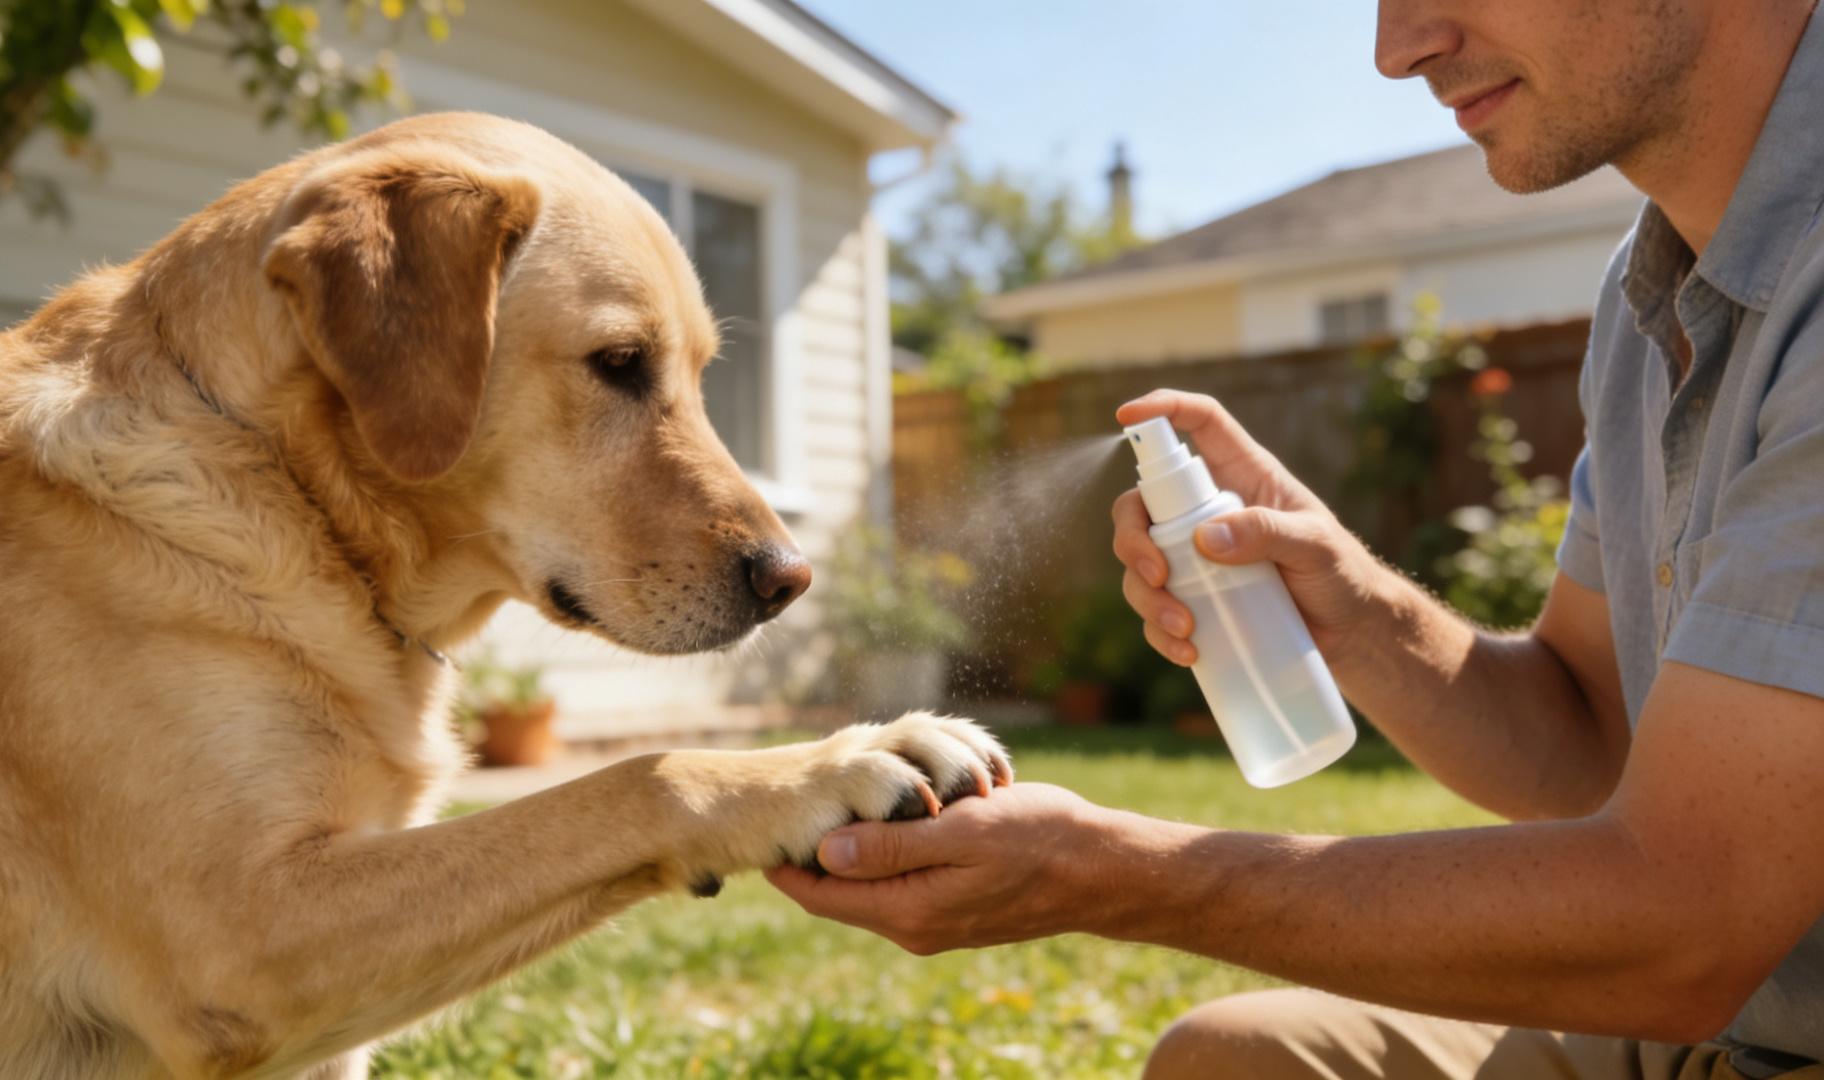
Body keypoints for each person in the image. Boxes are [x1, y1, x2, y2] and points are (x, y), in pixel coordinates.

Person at [766, 2, 1824, 1077]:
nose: (1398, 47)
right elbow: (1589, 740)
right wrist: (1350, 603)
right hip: (1708, 1037)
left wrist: (1108, 875)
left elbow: (1691, 922)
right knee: (1232, 1061)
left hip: (1731, 1001)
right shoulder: (1651, 298)